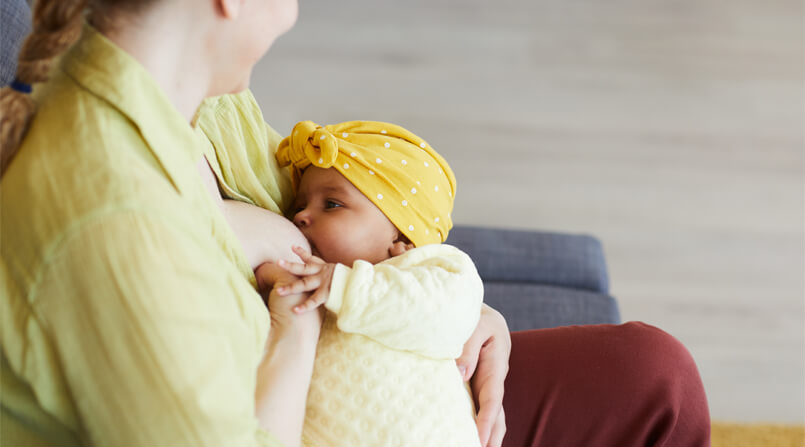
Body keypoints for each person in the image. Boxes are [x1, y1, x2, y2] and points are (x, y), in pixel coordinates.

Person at [0, 1, 710, 447]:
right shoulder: (116, 229)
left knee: (653, 376)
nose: (294, 12)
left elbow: (348, 222)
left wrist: (451, 300)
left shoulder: (201, 100)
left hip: (373, 377)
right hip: (321, 409)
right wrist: (298, 325)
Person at [266, 119, 484, 446]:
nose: (300, 216)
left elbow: (447, 316)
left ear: (402, 236)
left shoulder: (433, 268)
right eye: (299, 206)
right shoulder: (313, 287)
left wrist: (345, 287)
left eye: (332, 204)